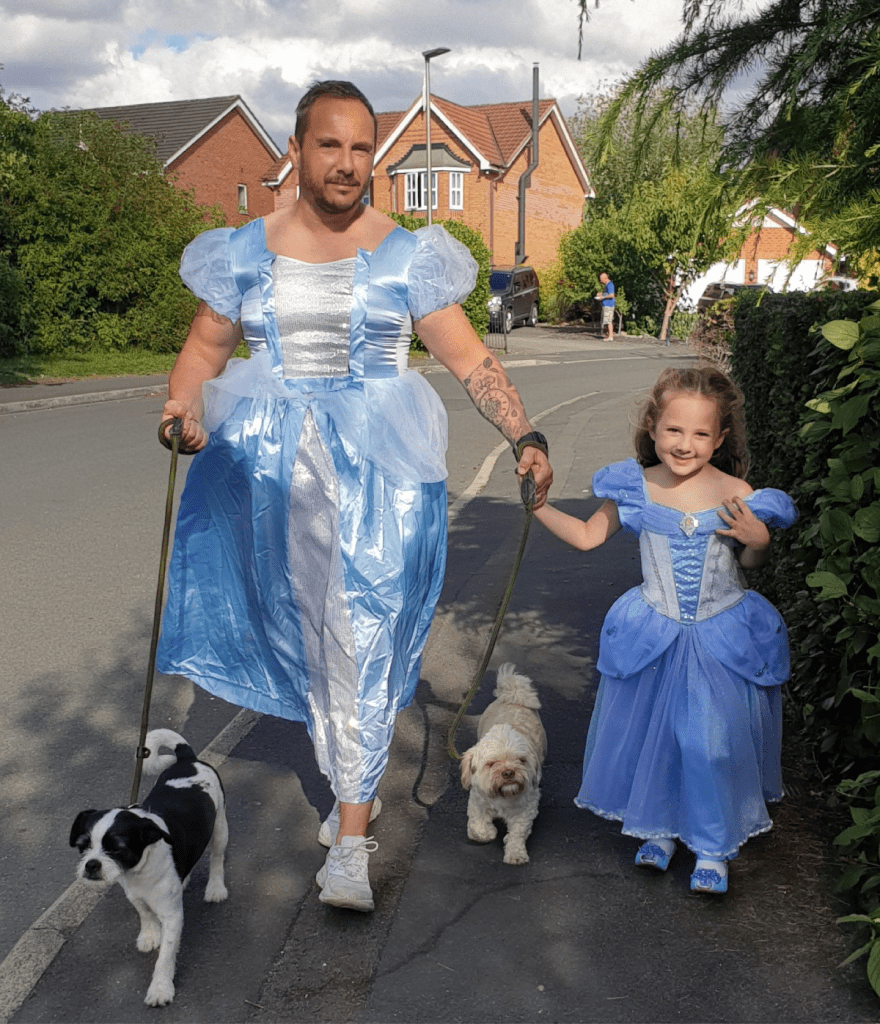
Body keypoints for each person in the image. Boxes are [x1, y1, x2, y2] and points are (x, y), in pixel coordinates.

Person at [155, 81, 552, 913]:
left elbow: (471, 360)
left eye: (361, 148)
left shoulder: (409, 256)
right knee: (307, 644)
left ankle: (353, 838)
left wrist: (525, 436)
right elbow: (202, 348)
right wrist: (183, 410)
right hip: (273, 483)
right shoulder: (241, 253)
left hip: (381, 480)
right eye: (329, 145)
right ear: (296, 152)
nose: (346, 163)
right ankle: (346, 794)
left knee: (362, 643)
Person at [534, 366, 797, 894]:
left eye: (701, 434)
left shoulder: (736, 492)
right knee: (658, 739)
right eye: (674, 430)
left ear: (720, 439)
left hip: (720, 639)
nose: (685, 444)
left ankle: (712, 846)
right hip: (655, 634)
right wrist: (538, 508)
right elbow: (588, 537)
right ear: (654, 428)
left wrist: (758, 539)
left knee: (710, 742)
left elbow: (750, 562)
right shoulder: (635, 486)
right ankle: (660, 828)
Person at [595, 272, 615, 340]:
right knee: (607, 321)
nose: (601, 281)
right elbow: (606, 294)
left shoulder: (610, 285)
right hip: (606, 305)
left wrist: (602, 297)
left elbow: (612, 295)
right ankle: (609, 335)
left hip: (609, 305)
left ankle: (610, 336)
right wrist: (601, 294)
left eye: (601, 279)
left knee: (609, 321)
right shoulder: (607, 285)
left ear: (605, 278)